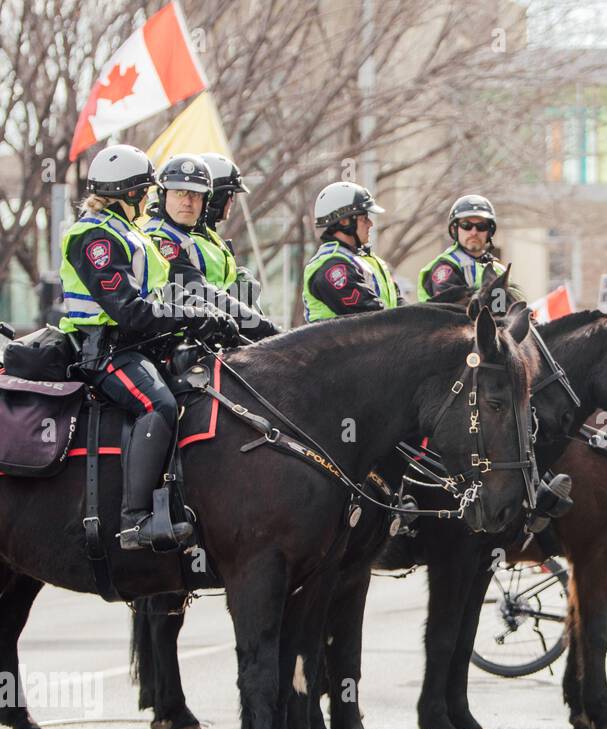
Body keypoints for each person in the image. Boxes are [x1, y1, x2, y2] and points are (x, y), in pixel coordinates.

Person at [59, 145, 219, 550]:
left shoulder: (128, 234)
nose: (149, 198)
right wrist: (187, 315)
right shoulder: (95, 237)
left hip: (137, 347)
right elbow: (130, 311)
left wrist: (198, 313)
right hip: (105, 353)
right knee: (158, 405)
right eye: (145, 190)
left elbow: (159, 297)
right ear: (131, 193)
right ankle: (135, 521)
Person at [142, 154, 275, 341]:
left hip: (214, 331)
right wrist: (265, 328)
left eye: (195, 194)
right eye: (179, 192)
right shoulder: (160, 238)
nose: (187, 202)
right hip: (178, 340)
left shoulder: (202, 236)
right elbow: (200, 291)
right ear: (164, 195)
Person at [302, 181, 401, 322]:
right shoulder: (333, 268)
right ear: (344, 221)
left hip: (377, 343)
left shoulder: (364, 260)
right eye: (364, 218)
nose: (370, 224)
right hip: (334, 344)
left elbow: (397, 302)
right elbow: (371, 317)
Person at [418, 195, 507, 301]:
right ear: (453, 229)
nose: (474, 232)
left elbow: (506, 310)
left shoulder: (500, 271)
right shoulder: (444, 267)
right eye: (466, 225)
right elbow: (450, 312)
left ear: (490, 231)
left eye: (481, 226)